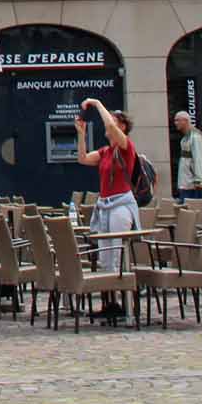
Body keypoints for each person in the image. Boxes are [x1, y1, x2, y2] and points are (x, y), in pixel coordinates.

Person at [77, 98, 140, 303]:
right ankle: (110, 301)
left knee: (116, 251)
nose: (108, 125)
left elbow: (111, 126)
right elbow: (83, 159)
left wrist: (96, 103)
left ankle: (125, 302)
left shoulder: (125, 147)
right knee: (105, 254)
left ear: (122, 126)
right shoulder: (105, 152)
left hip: (120, 204)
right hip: (105, 204)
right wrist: (81, 135)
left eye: (113, 121)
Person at [173, 110, 202, 202]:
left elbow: (198, 159)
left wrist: (198, 180)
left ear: (185, 121)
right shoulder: (185, 138)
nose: (175, 123)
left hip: (192, 185)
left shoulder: (195, 137)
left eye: (178, 120)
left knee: (194, 211)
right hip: (186, 183)